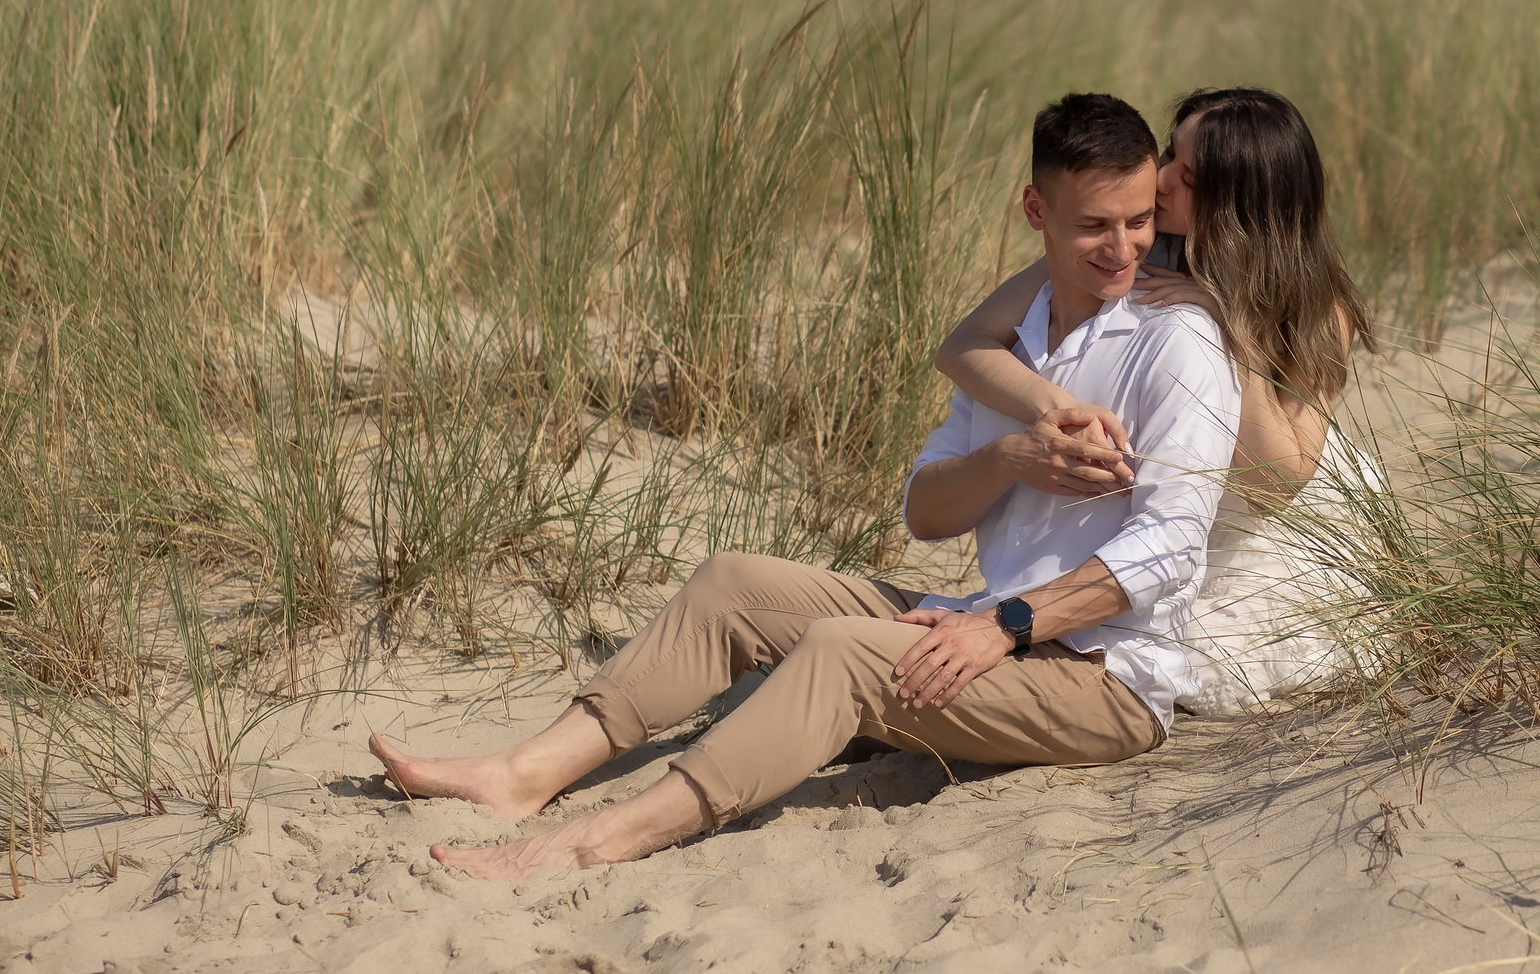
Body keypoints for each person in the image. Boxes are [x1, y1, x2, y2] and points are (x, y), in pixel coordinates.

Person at [370, 93, 1240, 878]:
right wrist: (1007, 462)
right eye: (1095, 225)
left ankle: (601, 837)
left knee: (838, 653)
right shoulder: (1018, 338)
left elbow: (1170, 547)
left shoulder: (1179, 341)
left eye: (1137, 220)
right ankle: (525, 775)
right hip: (982, 617)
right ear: (1035, 210)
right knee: (732, 584)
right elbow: (925, 510)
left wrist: (1004, 626)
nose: (1123, 246)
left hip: (1105, 678)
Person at [936, 87, 1379, 715]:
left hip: (1271, 538)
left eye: (1188, 175)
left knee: (1195, 667)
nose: (1160, 179)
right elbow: (962, 346)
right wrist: (1057, 408)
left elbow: (1278, 478)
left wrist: (1226, 321)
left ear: (1240, 202)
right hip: (1169, 528)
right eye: (1170, 153)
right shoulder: (1128, 248)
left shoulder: (1314, 304)